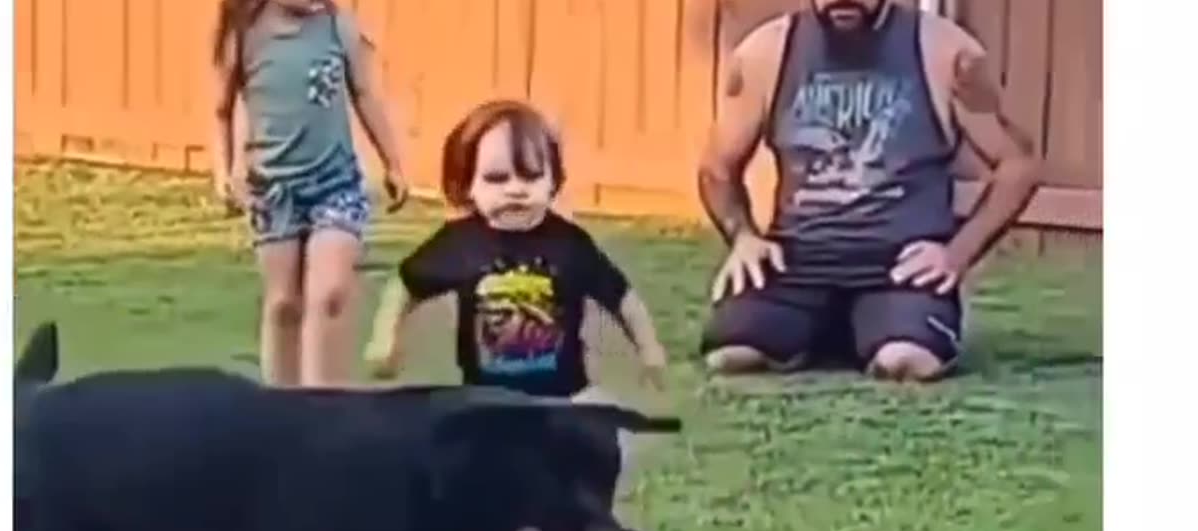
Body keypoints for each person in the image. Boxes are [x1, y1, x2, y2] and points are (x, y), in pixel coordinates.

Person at [698, 0, 1040, 382]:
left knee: (905, 362)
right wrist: (743, 237)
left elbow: (1018, 165)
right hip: (797, 262)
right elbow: (718, 167)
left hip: (900, 268)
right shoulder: (767, 52)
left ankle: (879, 325)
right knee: (732, 355)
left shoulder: (945, 51)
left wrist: (956, 255)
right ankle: (833, 327)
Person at [363, 99, 668, 402]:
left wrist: (650, 350)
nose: (515, 189)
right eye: (496, 178)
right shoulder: (460, 243)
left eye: (531, 176)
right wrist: (385, 339)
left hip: (564, 399)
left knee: (597, 417)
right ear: (468, 184)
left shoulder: (570, 244)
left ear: (553, 181)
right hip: (486, 403)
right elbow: (406, 285)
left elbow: (623, 299)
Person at [210, 0, 408, 387]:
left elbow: (365, 94)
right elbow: (222, 109)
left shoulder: (336, 26)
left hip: (336, 185)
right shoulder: (245, 33)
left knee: (329, 293)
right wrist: (224, 172)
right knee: (283, 303)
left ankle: (323, 405)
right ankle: (281, 410)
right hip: (274, 192)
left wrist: (393, 163)